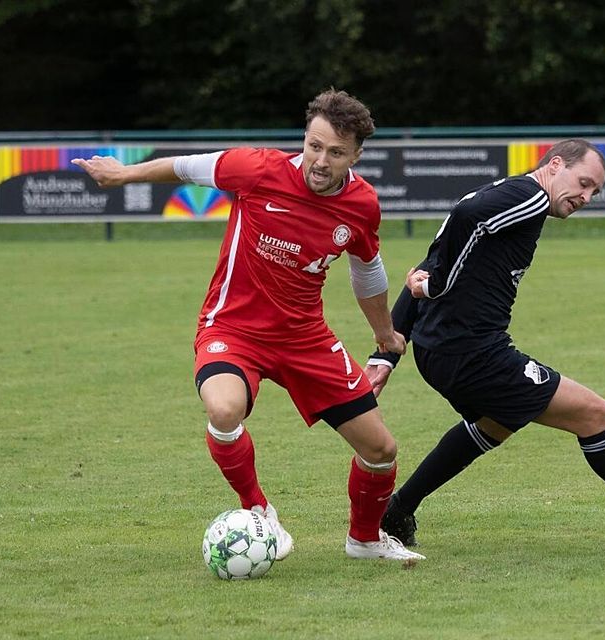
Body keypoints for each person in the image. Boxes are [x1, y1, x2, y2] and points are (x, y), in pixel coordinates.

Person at [72, 89, 424, 562]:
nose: (320, 161)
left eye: (336, 152)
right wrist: (124, 173)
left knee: (381, 449)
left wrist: (384, 334)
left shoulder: (362, 204)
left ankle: (363, 540)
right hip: (233, 329)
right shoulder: (257, 169)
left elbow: (367, 267)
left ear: (356, 154)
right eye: (313, 146)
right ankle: (259, 512)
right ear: (304, 138)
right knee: (223, 410)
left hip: (305, 338)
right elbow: (187, 167)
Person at [367, 139, 605, 549]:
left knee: (497, 423)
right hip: (470, 353)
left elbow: (431, 259)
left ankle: (398, 509)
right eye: (583, 183)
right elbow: (462, 223)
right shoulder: (531, 196)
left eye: (594, 191)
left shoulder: (505, 194)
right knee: (596, 415)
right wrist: (436, 286)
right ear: (555, 164)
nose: (586, 197)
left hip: (443, 351)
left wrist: (386, 354)